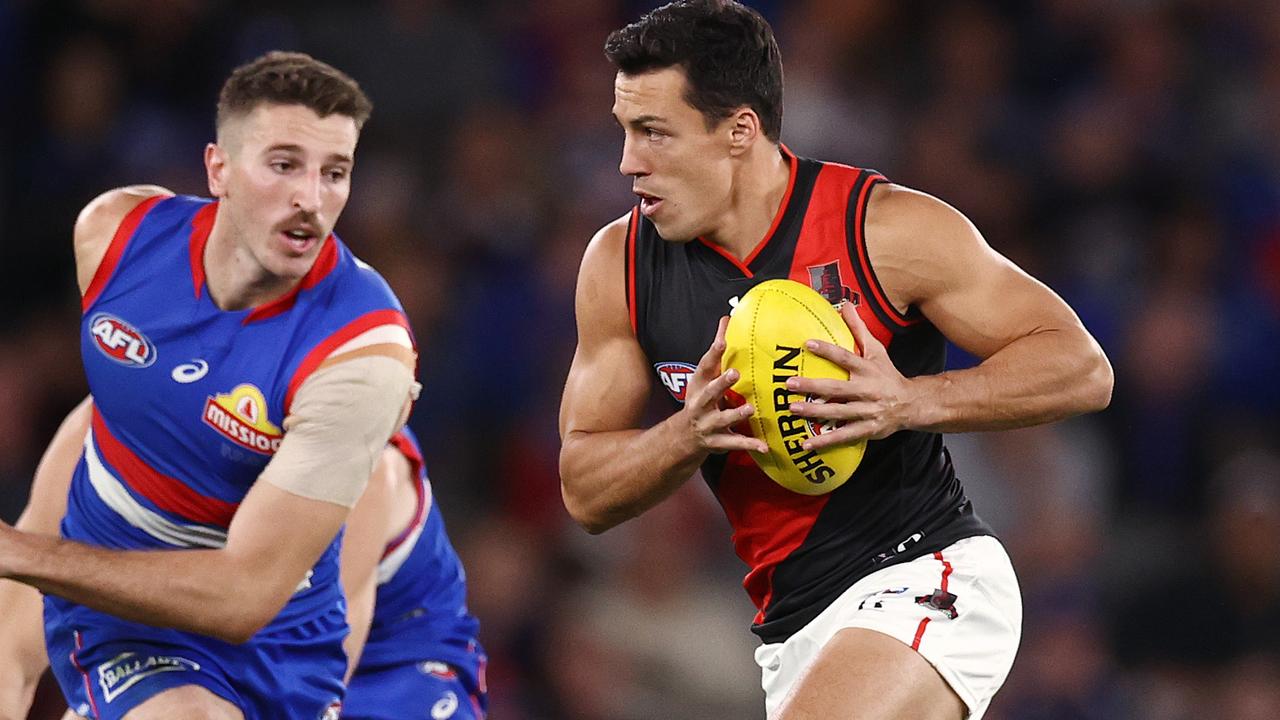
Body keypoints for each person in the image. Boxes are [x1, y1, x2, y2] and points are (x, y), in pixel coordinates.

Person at [557, 2, 1114, 719]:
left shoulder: (882, 227)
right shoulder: (619, 266)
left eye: (654, 133)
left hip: (928, 574)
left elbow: (1080, 365)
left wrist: (907, 401)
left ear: (739, 132)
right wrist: (685, 434)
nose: (629, 162)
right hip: (792, 632)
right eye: (625, 131)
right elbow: (584, 489)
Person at [0, 51, 419, 719]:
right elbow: (112, 411)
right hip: (120, 615)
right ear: (217, 169)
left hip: (277, 646)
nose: (311, 198)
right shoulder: (112, 234)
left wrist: (20, 552)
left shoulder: (361, 356)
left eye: (334, 173)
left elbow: (242, 597)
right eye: (284, 165)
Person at [0, 402, 487, 720]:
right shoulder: (100, 435)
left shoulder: (355, 466)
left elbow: (310, 693)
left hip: (389, 681)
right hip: (207, 642)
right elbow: (10, 651)